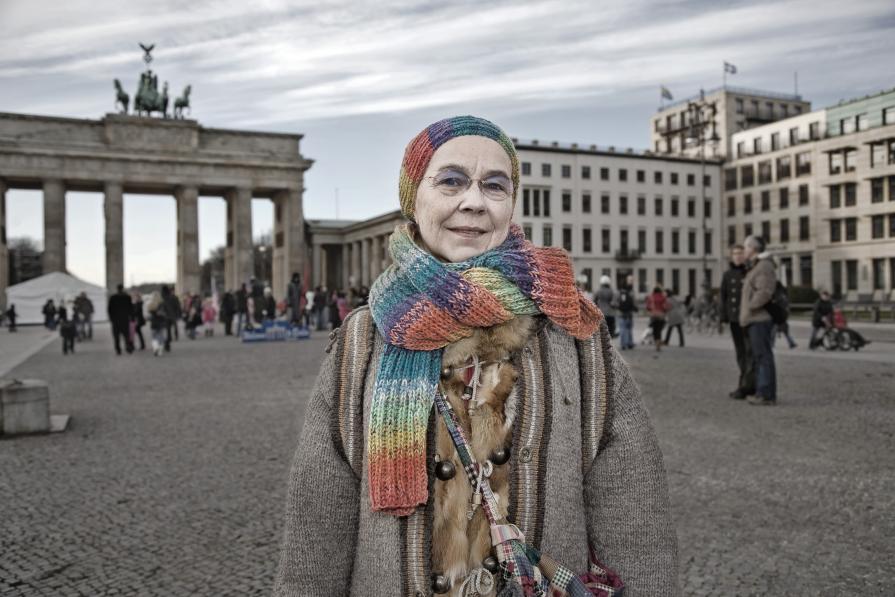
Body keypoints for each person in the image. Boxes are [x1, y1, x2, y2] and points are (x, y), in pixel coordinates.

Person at [274, 116, 677, 596]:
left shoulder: (574, 329)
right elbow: (319, 519)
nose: (474, 201)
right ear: (413, 198)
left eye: (495, 185)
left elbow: (635, 512)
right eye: (450, 181)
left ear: (510, 203)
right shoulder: (361, 339)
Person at [739, 235, 777, 405]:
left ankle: (766, 394)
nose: (743, 250)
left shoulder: (763, 266)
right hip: (754, 318)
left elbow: (764, 292)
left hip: (759, 318)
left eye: (746, 247)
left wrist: (750, 307)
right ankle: (763, 391)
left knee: (763, 357)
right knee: (760, 356)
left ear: (753, 249)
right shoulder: (757, 266)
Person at [719, 244, 755, 400]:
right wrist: (722, 318)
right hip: (734, 318)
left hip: (748, 318)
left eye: (740, 253)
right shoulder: (727, 275)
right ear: (731, 256)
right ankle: (745, 384)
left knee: (750, 352)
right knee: (741, 353)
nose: (738, 256)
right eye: (735, 254)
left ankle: (746, 386)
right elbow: (723, 296)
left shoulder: (750, 272)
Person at [107, 284, 134, 355]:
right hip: (125, 319)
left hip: (115, 320)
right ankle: (128, 347)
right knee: (126, 335)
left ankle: (118, 349)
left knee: (116, 336)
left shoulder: (113, 298)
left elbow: (109, 309)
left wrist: (111, 318)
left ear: (117, 289)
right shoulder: (127, 297)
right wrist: (131, 318)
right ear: (123, 289)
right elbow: (131, 308)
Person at [645, 285, 670, 351]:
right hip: (661, 316)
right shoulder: (663, 297)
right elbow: (665, 307)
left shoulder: (651, 297)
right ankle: (658, 344)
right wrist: (664, 311)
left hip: (653, 315)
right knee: (659, 330)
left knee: (655, 330)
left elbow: (648, 307)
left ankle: (656, 344)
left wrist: (651, 310)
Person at [616, 274, 637, 350]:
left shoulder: (620, 292)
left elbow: (616, 302)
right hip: (629, 313)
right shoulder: (632, 292)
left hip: (621, 313)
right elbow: (634, 302)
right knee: (629, 328)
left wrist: (618, 307)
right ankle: (630, 343)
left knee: (622, 328)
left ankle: (623, 344)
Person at [146, 291, 168, 356]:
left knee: (154, 337)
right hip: (161, 322)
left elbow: (149, 315)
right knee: (161, 336)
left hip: (154, 322)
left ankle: (155, 347)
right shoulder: (162, 304)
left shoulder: (151, 304)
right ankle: (160, 351)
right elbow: (166, 313)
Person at [161, 285, 179, 352]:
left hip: (166, 317)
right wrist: (177, 314)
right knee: (173, 328)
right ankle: (168, 343)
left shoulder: (163, 298)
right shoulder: (174, 297)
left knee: (168, 331)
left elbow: (162, 308)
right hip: (172, 316)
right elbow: (177, 306)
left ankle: (167, 344)